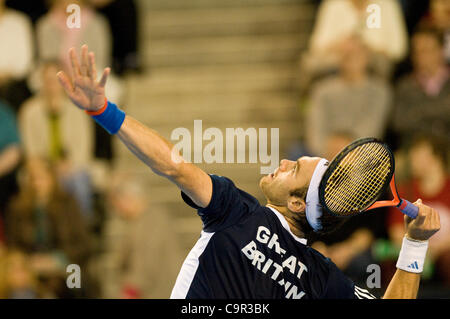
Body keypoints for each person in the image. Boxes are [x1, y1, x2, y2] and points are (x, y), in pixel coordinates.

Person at [57, 45, 441, 299]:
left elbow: (172, 163)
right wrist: (415, 245)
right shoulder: (321, 278)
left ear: (295, 201)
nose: (284, 162)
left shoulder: (237, 210)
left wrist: (103, 110)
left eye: (294, 168)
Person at [19, 60, 95, 219]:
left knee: (79, 182)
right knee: (36, 183)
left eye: (55, 80)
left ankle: (80, 231)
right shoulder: (29, 111)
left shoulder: (78, 109)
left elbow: (84, 148)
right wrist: (47, 169)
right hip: (43, 167)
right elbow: (30, 150)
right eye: (47, 80)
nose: (51, 85)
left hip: (73, 166)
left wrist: (68, 166)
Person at [305, 36, 391, 157]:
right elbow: (315, 131)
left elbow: (372, 129)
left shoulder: (380, 91)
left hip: (363, 155)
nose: (352, 59)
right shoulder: (321, 91)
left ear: (366, 56)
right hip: (325, 156)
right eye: (347, 54)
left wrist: (348, 150)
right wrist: (330, 151)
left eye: (356, 53)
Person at [100, 173, 184, 298]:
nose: (116, 209)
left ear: (127, 198)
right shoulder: (143, 220)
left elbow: (146, 266)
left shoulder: (151, 221)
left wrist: (129, 291)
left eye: (115, 203)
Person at [386, 135, 450, 288]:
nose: (412, 159)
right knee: (389, 263)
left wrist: (437, 250)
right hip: (412, 250)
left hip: (445, 252)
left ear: (436, 157)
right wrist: (420, 249)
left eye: (419, 154)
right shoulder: (404, 190)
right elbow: (395, 232)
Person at [392, 26, 450, 149]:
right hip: (414, 149)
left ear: (440, 51)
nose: (420, 56)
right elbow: (399, 122)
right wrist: (440, 112)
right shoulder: (404, 85)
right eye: (416, 51)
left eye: (426, 50)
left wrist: (419, 112)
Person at [0, 0, 34, 112]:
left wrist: (6, 75)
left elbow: (25, 63)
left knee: (13, 91)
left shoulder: (19, 22)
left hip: (12, 84)